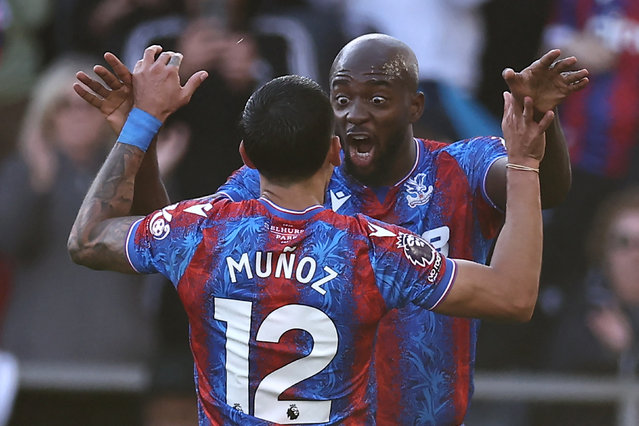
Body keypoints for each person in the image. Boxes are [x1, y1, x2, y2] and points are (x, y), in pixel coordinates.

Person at [75, 34, 588, 424]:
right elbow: (516, 287)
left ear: (415, 107)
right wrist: (524, 157)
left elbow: (164, 237)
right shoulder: (366, 245)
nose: (355, 115)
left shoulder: (462, 166)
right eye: (341, 100)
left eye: (377, 100)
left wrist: (140, 125)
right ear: (332, 145)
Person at [532, 186, 639, 426]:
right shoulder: (581, 312)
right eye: (624, 242)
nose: (635, 255)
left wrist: (629, 351)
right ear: (604, 251)